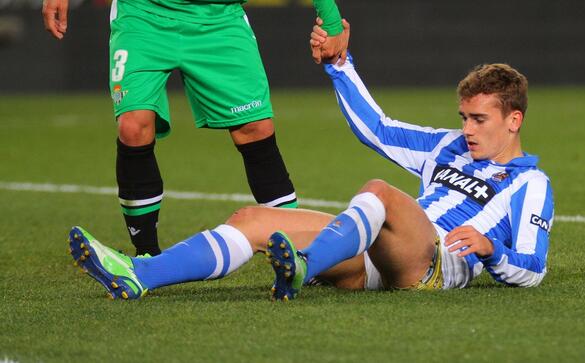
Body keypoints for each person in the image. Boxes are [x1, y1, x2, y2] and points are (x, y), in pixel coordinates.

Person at [67, 20, 553, 301]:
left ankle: (303, 265)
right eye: (464, 117)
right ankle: (140, 274)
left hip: (430, 264)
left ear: (513, 120)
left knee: (379, 191)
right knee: (253, 219)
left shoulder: (530, 183)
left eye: (479, 120)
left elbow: (533, 269)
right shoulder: (447, 146)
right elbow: (378, 129)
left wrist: (492, 250)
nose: (467, 129)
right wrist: (341, 67)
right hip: (373, 256)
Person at [42, 0, 349, 257]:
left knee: (255, 128)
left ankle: (299, 252)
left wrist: (332, 21)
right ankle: (146, 255)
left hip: (219, 17)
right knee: (134, 125)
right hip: (143, 15)